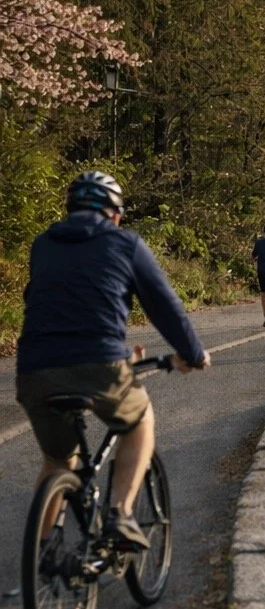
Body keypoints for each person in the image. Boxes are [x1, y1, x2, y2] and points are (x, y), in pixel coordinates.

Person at [16, 171, 211, 551]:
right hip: (99, 364)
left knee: (58, 460)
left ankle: (41, 557)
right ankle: (121, 513)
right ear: (116, 214)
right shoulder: (126, 243)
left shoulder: (43, 244)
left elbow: (45, 304)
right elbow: (164, 306)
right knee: (140, 419)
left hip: (34, 369)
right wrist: (192, 353)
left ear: (69, 209)